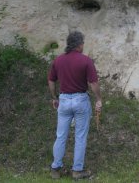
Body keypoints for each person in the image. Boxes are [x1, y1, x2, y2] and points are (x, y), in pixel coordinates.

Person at [48, 31, 102, 180]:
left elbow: (51, 81)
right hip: (80, 100)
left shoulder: (58, 60)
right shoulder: (86, 60)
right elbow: (94, 83)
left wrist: (54, 98)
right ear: (79, 44)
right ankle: (77, 171)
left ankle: (55, 169)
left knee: (60, 136)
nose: (83, 45)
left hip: (64, 101)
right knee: (80, 137)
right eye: (83, 43)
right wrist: (98, 99)